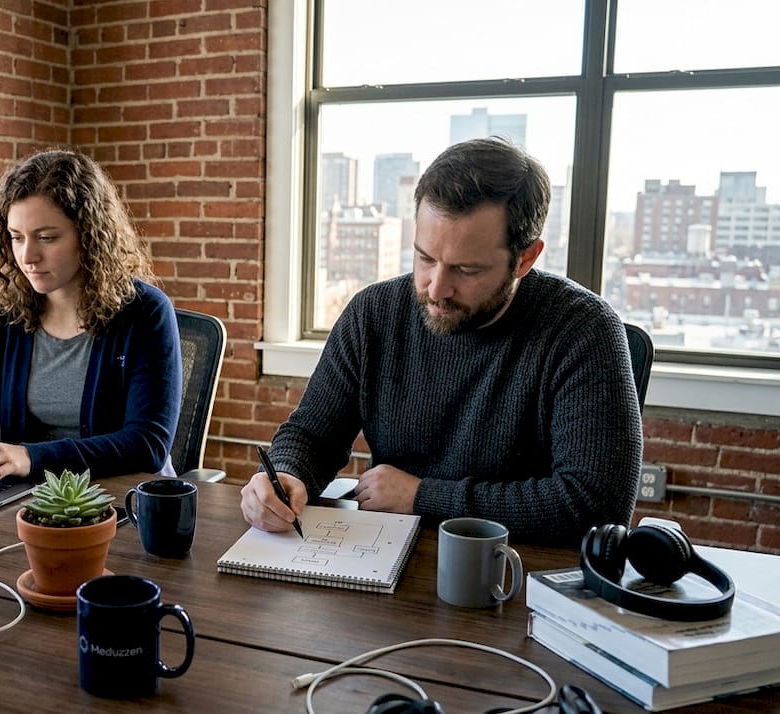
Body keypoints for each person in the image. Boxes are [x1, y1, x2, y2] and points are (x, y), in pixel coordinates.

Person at [241, 137, 643, 546]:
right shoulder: (373, 314)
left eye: (466, 270)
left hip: (514, 567)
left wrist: (423, 496)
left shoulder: (583, 329)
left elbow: (595, 505)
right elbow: (312, 435)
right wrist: (285, 474)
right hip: (384, 554)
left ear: (525, 258)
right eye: (425, 258)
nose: (435, 289)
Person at [0, 149, 182, 489]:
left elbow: (147, 445)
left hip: (124, 497)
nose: (28, 256)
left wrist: (31, 457)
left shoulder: (146, 312)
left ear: (88, 235)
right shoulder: (1, 312)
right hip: (28, 499)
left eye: (47, 238)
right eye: (16, 237)